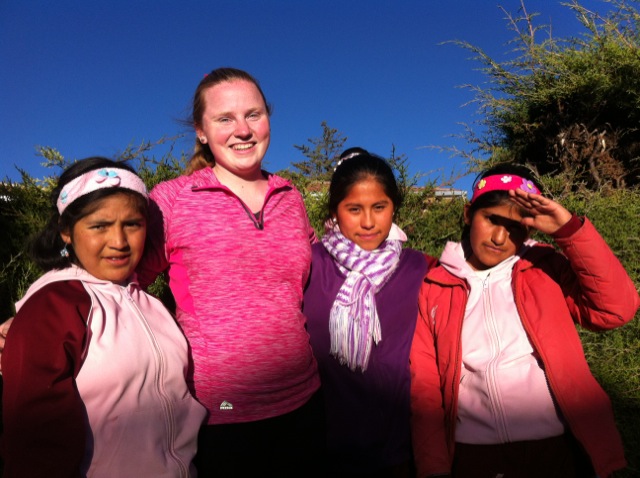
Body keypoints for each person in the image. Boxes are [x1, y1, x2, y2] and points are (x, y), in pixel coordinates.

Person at [135, 67, 324, 476]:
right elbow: (119, 282)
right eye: (224, 119)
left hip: (305, 404)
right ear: (201, 132)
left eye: (253, 114)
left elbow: (318, 280)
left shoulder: (290, 197)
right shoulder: (171, 200)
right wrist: (50, 313)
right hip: (218, 417)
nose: (243, 130)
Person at [409, 163, 640, 478]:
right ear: (467, 214)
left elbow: (616, 309)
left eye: (517, 227)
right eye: (491, 219)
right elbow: (425, 386)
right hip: (474, 455)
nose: (501, 237)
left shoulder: (546, 270)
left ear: (530, 229)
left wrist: (568, 230)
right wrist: (433, 466)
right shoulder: (435, 286)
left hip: (556, 449)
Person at [1, 157, 206, 477]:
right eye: (99, 226)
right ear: (66, 232)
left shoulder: (152, 306)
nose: (119, 242)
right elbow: (35, 443)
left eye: (132, 224)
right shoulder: (51, 308)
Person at [303, 148, 436, 477]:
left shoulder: (419, 268)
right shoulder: (310, 265)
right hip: (320, 448)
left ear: (394, 207)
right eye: (354, 209)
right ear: (335, 210)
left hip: (396, 449)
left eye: (379, 207)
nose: (367, 221)